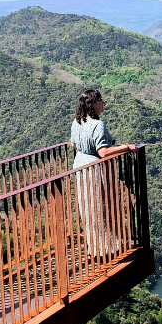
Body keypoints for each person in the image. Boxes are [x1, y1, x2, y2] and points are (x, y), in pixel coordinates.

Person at [70, 89, 134, 260]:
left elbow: (74, 145)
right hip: (94, 171)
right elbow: (104, 152)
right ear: (93, 104)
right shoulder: (98, 125)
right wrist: (126, 147)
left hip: (79, 168)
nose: (102, 103)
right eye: (100, 100)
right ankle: (106, 249)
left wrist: (85, 149)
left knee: (87, 209)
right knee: (101, 209)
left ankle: (93, 247)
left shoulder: (77, 122)